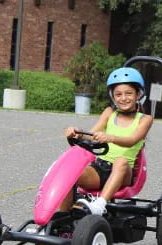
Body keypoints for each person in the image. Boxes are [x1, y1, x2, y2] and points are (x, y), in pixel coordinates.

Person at [60, 67, 153, 215]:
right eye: (118, 94)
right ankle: (60, 220)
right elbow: (92, 134)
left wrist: (110, 137)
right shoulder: (109, 113)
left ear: (138, 95)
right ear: (113, 97)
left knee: (120, 161)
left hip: (123, 173)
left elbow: (132, 140)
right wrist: (76, 133)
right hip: (100, 169)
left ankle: (99, 205)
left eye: (129, 93)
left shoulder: (145, 119)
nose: (123, 98)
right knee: (70, 173)